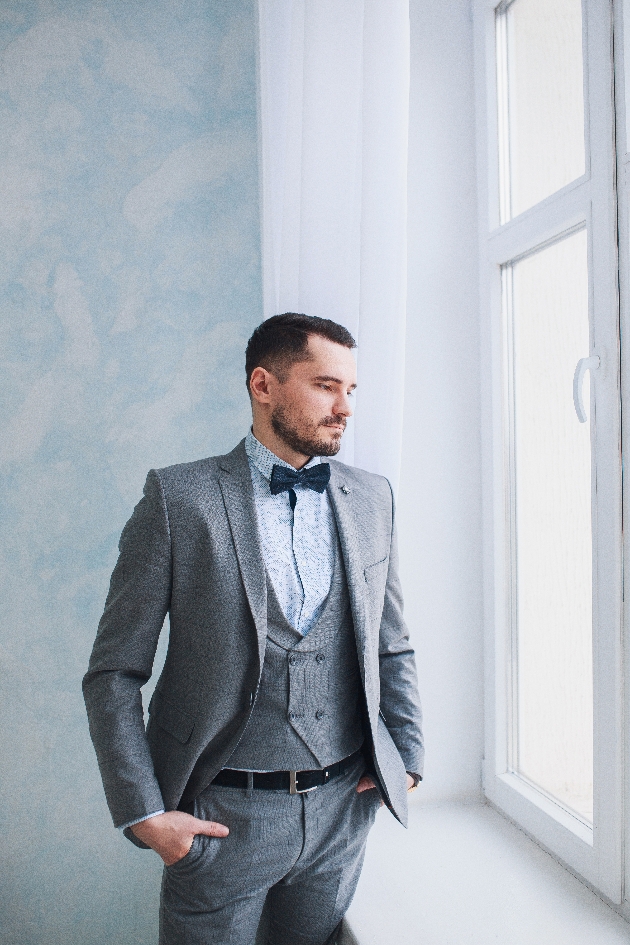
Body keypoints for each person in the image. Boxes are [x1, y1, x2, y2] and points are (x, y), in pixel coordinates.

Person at [83, 312, 424, 945]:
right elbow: (113, 673)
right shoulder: (178, 500)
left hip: (341, 813)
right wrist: (146, 814)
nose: (345, 408)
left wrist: (408, 755)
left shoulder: (373, 497)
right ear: (263, 385)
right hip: (220, 818)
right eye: (326, 386)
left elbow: (392, 641)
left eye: (351, 389)